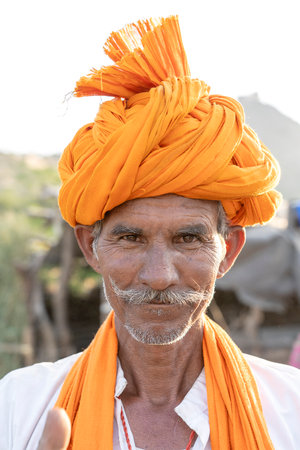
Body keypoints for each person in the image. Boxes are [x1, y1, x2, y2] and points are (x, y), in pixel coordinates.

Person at [1, 15, 300, 450]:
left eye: (188, 239)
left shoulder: (291, 410)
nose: (159, 276)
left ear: (229, 250)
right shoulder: (17, 408)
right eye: (130, 238)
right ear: (91, 247)